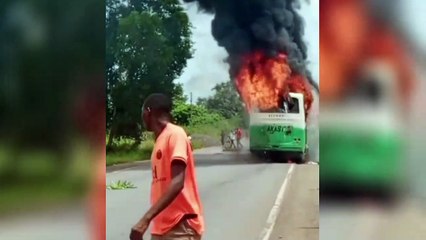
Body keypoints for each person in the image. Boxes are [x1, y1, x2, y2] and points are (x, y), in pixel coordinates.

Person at [130, 93, 204, 240]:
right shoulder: (160, 139)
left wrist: (145, 220)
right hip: (162, 227)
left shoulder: (175, 134)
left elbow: (177, 182)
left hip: (180, 226)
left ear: (148, 112)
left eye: (142, 112)